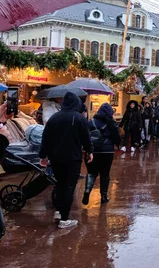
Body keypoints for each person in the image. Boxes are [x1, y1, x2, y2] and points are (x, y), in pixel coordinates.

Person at [39, 92, 93, 229]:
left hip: (55, 158)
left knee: (60, 184)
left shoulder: (54, 118)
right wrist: (89, 151)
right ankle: (64, 219)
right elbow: (86, 137)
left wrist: (43, 156)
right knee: (69, 187)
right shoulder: (79, 118)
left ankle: (59, 211)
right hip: (72, 158)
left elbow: (46, 138)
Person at [82, 103, 121, 205]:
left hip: (92, 151)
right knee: (105, 173)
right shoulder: (112, 123)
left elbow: (85, 136)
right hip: (107, 152)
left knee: (91, 172)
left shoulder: (91, 122)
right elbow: (117, 138)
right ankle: (104, 196)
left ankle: (87, 191)